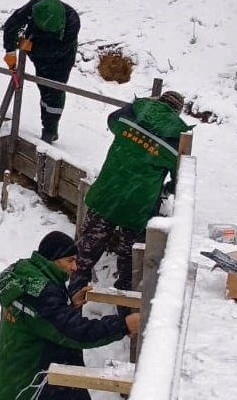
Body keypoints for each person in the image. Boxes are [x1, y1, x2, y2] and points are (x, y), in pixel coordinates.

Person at [68, 91, 191, 300]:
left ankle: (72, 300)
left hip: (107, 193)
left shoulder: (134, 113)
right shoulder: (177, 137)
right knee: (128, 264)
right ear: (177, 111)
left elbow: (111, 120)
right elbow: (180, 177)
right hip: (138, 206)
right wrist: (167, 189)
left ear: (159, 101)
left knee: (85, 255)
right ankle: (124, 314)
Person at [0, 231, 141, 400]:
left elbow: (44, 320)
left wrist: (68, 305)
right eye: (70, 260)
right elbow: (75, 333)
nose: (75, 267)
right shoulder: (41, 293)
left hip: (11, 378)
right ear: (53, 259)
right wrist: (124, 325)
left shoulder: (27, 276)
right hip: (29, 387)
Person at [2, 0, 80, 144]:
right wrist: (10, 51)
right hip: (36, 42)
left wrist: (32, 48)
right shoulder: (35, 6)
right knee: (43, 87)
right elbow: (12, 25)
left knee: (55, 90)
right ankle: (47, 117)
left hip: (62, 57)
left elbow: (59, 51)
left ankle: (50, 129)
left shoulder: (72, 21)